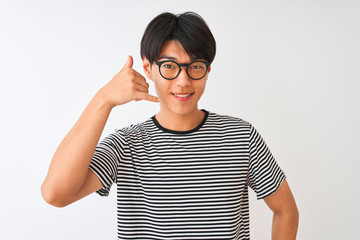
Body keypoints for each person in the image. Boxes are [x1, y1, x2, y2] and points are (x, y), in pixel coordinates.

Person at [41, 12, 299, 240]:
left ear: (208, 70)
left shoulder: (241, 136)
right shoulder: (125, 145)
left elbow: (286, 210)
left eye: (195, 66)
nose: (183, 81)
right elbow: (55, 193)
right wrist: (103, 100)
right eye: (169, 67)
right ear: (148, 68)